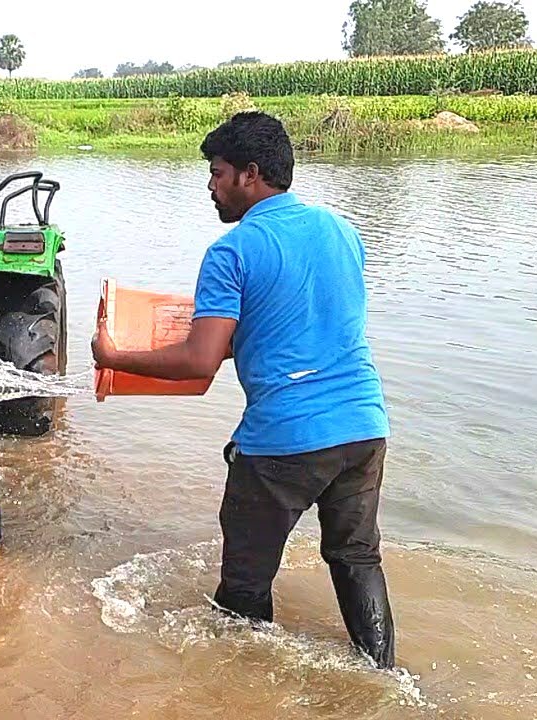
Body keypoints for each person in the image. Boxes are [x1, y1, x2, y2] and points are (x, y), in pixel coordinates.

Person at [90, 111, 396, 670]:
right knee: (357, 557)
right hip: (364, 427)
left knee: (245, 582)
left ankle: (241, 690)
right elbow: (297, 321)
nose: (210, 187)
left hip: (286, 439)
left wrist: (114, 356)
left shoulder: (232, 251)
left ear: (249, 174)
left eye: (217, 173)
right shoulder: (342, 231)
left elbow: (200, 360)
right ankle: (384, 673)